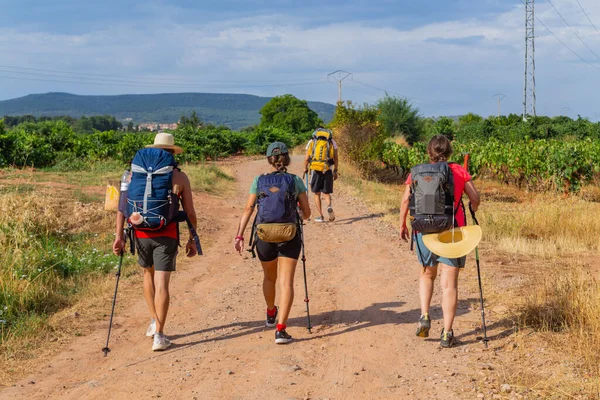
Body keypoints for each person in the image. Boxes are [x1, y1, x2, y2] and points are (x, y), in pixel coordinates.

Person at [112, 132, 198, 351]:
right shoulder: (179, 177)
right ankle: (159, 334)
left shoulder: (133, 175)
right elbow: (190, 212)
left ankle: (153, 320)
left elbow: (122, 207)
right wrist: (192, 238)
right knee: (163, 284)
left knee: (147, 275)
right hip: (166, 234)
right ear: (172, 153)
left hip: (139, 233)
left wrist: (119, 237)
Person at [399, 135, 480, 348]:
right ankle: (447, 332)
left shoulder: (417, 172)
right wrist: (471, 209)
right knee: (449, 284)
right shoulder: (459, 171)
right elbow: (475, 199)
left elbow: (406, 200)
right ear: (450, 152)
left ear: (429, 152)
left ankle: (425, 316)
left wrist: (402, 225)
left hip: (424, 230)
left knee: (427, 274)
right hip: (453, 232)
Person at [234, 142, 311, 344]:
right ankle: (280, 329)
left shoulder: (258, 181)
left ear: (269, 160)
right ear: (287, 159)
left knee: (269, 278)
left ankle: (270, 313)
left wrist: (239, 236)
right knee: (286, 282)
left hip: (264, 236)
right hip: (289, 235)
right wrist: (299, 213)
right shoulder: (295, 181)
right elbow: (308, 213)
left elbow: (248, 209)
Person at [304, 127, 339, 223]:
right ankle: (329, 206)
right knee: (326, 193)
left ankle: (320, 215)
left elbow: (307, 158)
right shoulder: (331, 141)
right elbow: (336, 158)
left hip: (315, 169)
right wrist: (335, 170)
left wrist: (305, 168)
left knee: (316, 193)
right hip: (327, 169)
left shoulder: (312, 141)